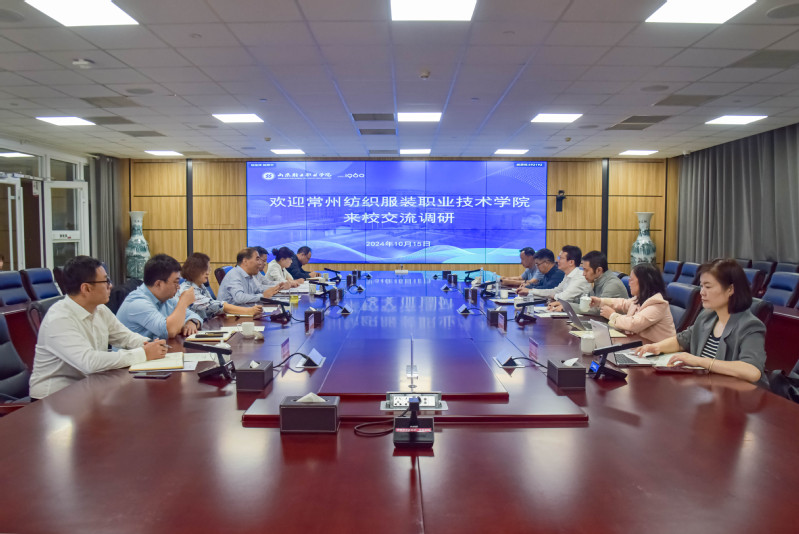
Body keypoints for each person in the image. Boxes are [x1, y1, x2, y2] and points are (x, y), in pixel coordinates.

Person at [28, 256, 168, 399]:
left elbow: (125, 337)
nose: (110, 286)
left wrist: (150, 344)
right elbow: (89, 362)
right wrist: (143, 354)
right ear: (86, 288)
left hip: (87, 387)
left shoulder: (99, 309)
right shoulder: (59, 319)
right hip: (53, 399)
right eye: (106, 281)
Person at [635, 259, 766, 383]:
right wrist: (657, 347)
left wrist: (700, 361)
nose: (702, 292)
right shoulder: (707, 316)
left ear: (730, 289)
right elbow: (682, 340)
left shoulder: (750, 325)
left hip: (734, 394)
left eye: (708, 287)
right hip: (705, 388)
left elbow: (752, 371)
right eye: (701, 286)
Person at [116, 254, 202, 339]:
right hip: (135, 348)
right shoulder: (138, 303)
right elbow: (170, 331)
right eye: (176, 282)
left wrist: (192, 322)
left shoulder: (166, 299)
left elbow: (193, 316)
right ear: (158, 284)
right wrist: (183, 302)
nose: (178, 287)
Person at [590, 262, 675, 342]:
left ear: (643, 282)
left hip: (660, 350)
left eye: (631, 280)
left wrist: (612, 315)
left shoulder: (658, 304)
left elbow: (633, 324)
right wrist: (600, 301)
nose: (629, 283)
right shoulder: (640, 298)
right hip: (642, 344)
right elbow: (623, 303)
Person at [178, 252, 263, 320]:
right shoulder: (187, 290)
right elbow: (215, 305)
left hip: (208, 324)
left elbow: (214, 310)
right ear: (194, 270)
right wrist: (249, 311)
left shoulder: (201, 286)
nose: (208, 273)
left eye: (208, 269)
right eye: (205, 269)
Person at [548, 251, 629, 314]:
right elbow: (587, 302)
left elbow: (598, 310)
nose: (583, 274)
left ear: (599, 270)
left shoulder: (612, 285)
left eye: (586, 270)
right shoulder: (598, 280)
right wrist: (563, 303)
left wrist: (567, 307)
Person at [217, 247, 291, 305]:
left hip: (244, 310)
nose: (260, 263)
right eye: (257, 259)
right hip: (228, 316)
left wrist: (277, 287)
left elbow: (259, 289)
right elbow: (239, 298)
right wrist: (263, 296)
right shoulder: (234, 275)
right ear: (245, 261)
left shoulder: (249, 275)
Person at [522, 246, 590, 301]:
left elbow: (563, 297)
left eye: (560, 258)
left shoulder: (579, 277)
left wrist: (552, 296)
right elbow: (556, 291)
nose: (557, 260)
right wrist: (530, 291)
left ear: (571, 262)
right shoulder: (567, 275)